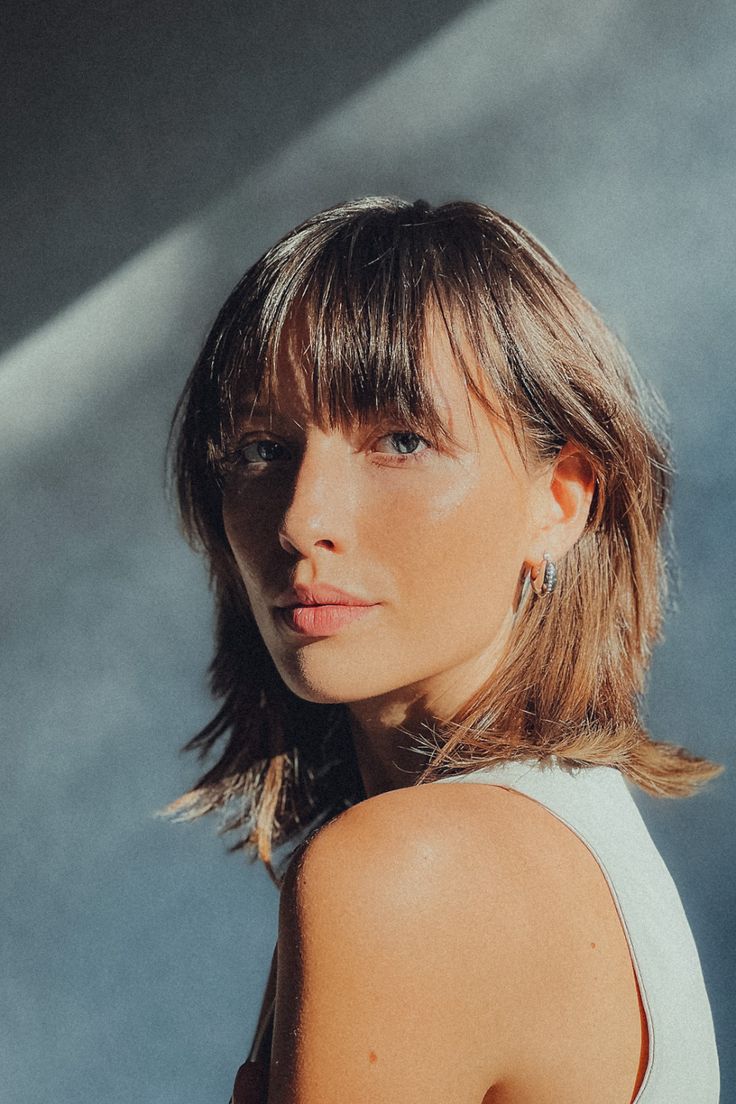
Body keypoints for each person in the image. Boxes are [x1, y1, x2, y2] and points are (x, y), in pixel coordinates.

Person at [166, 197, 722, 1103]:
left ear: (562, 500)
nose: (304, 520)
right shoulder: (574, 841)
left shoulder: (408, 873)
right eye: (262, 448)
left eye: (400, 440)